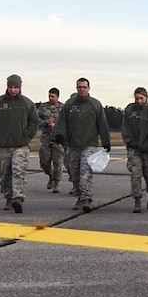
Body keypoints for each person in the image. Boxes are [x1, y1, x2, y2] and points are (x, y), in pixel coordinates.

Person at [58, 77, 110, 213]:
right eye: (79, 87)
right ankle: (79, 195)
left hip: (89, 144)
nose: (82, 89)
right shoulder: (69, 104)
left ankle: (86, 198)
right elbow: (62, 121)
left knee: (85, 172)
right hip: (73, 144)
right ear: (76, 88)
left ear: (88, 88)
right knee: (74, 172)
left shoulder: (95, 104)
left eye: (84, 87)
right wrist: (59, 135)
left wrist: (106, 141)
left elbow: (102, 124)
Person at [0, 75, 39, 213]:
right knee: (5, 173)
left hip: (20, 145)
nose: (13, 90)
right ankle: (9, 198)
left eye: (16, 87)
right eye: (11, 87)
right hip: (2, 145)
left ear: (20, 87)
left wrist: (27, 136)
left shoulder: (27, 104)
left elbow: (34, 122)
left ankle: (18, 197)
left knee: (18, 171)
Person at [121, 86, 148, 213]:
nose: (138, 101)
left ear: (146, 97)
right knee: (135, 174)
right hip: (134, 148)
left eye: (141, 98)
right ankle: (137, 199)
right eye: (136, 98)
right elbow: (125, 127)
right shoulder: (129, 109)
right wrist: (131, 141)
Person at [37, 87, 65, 192]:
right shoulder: (43, 107)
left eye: (52, 96)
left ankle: (56, 183)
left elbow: (66, 123)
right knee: (44, 161)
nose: (50, 98)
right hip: (46, 139)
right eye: (49, 96)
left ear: (57, 97)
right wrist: (45, 123)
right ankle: (50, 175)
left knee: (58, 162)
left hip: (58, 139)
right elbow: (35, 119)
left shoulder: (63, 108)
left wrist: (56, 125)